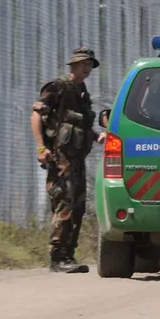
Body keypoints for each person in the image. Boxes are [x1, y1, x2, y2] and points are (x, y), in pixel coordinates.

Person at [31, 47, 107, 273]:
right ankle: (57, 257)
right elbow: (36, 114)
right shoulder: (58, 87)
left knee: (78, 206)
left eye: (90, 64)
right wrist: (41, 146)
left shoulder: (82, 92)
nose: (88, 67)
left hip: (77, 159)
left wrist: (96, 135)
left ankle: (68, 255)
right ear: (73, 64)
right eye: (84, 63)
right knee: (63, 203)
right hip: (60, 157)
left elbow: (81, 125)